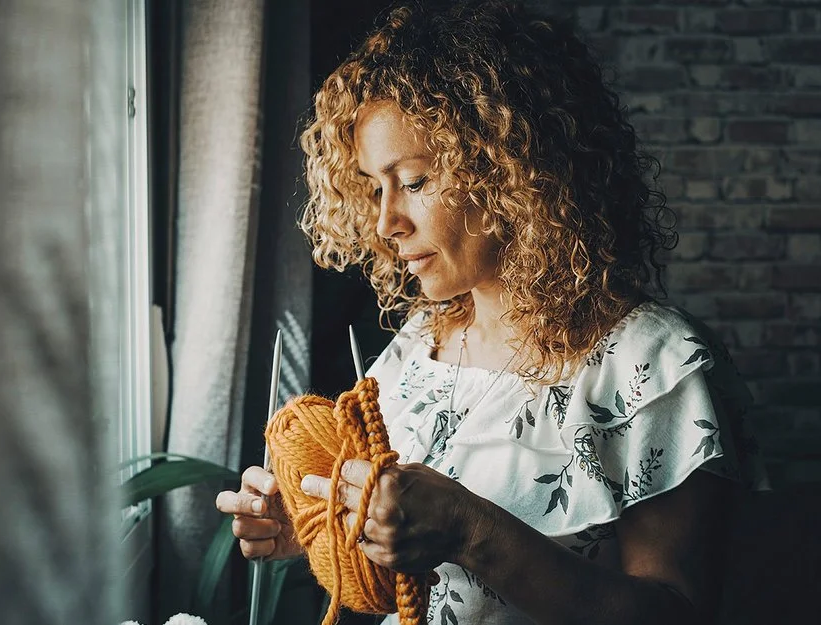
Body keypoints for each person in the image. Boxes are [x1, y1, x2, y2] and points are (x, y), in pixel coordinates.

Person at [216, 1, 767, 623]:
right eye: (376, 187)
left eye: (415, 181)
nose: (385, 222)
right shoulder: (419, 346)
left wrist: (473, 531)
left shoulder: (655, 369)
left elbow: (677, 615)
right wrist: (318, 526)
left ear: (513, 171)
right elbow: (395, 567)